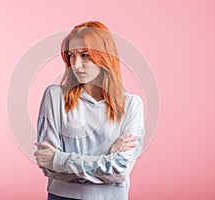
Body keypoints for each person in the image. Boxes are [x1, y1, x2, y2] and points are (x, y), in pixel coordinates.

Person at [34, 21, 145, 200]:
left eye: (85, 55)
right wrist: (107, 158)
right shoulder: (55, 96)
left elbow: (120, 171)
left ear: (104, 57)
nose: (76, 64)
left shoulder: (132, 105)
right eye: (71, 55)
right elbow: (48, 167)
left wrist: (59, 160)